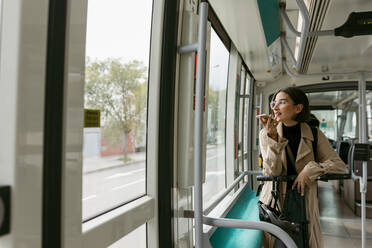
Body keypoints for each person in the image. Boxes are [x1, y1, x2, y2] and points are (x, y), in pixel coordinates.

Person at [258, 87, 346, 248]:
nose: (275, 107)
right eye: (274, 103)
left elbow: (339, 165)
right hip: (275, 199)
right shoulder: (266, 134)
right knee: (278, 243)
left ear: (298, 108)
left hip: (304, 198)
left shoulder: (314, 133)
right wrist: (273, 139)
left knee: (305, 240)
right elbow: (272, 172)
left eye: (282, 102)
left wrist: (309, 170)